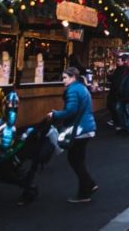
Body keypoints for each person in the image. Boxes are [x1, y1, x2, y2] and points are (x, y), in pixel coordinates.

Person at [47, 68, 97, 203]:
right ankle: (88, 185)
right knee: (77, 159)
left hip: (79, 128)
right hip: (87, 126)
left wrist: (55, 114)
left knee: (75, 160)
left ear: (73, 77)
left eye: (65, 78)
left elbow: (71, 110)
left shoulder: (73, 90)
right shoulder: (81, 88)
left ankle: (86, 189)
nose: (63, 81)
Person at [106, 59, 127, 129]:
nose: (117, 62)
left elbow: (117, 80)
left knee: (117, 108)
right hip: (114, 91)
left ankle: (119, 123)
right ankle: (117, 122)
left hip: (118, 91)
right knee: (113, 106)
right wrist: (109, 76)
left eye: (119, 61)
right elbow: (114, 79)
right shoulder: (118, 69)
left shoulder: (123, 70)